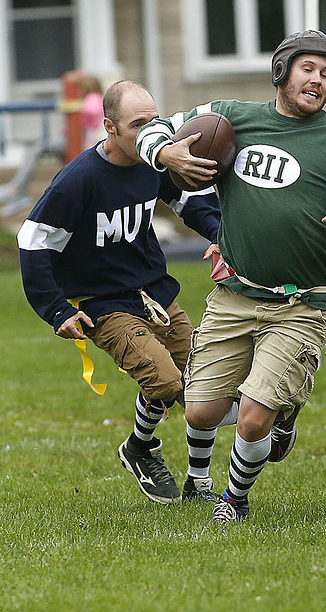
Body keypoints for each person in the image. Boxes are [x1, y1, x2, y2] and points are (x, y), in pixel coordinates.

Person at [136, 30, 326, 523]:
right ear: (282, 71)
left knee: (250, 418)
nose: (318, 80)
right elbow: (157, 127)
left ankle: (234, 501)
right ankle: (274, 420)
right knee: (201, 411)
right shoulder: (231, 116)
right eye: (309, 69)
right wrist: (167, 155)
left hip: (303, 302)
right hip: (234, 295)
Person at [18, 80, 222, 505]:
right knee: (165, 381)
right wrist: (57, 310)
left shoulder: (155, 161)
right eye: (138, 125)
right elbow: (33, 241)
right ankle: (143, 448)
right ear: (109, 127)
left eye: (156, 121)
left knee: (201, 388)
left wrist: (228, 238)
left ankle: (152, 454)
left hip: (156, 293)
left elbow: (188, 204)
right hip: (104, 304)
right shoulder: (79, 180)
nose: (152, 133)